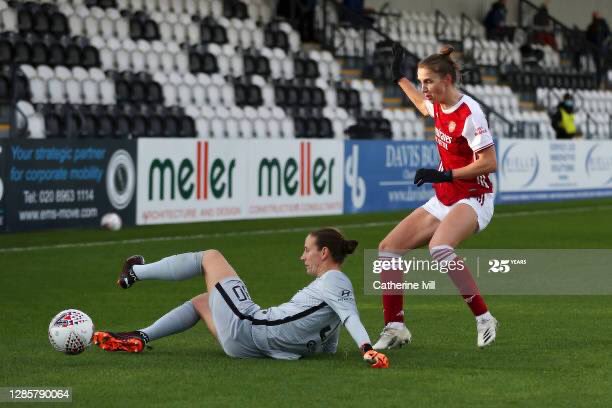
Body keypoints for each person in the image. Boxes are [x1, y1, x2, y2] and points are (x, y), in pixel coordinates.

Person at [93, 228, 389, 368]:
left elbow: (350, 316)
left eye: (307, 249)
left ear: (324, 253)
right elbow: (333, 331)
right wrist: (328, 351)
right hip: (251, 347)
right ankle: (141, 336)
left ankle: (134, 272)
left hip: (249, 328)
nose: (302, 256)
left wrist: (367, 348)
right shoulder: (333, 291)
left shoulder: (334, 280)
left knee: (210, 257)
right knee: (202, 301)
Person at [372, 43, 498, 350]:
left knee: (440, 247)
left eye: (427, 81)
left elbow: (490, 162)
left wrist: (447, 174)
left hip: (473, 196)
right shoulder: (438, 102)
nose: (423, 87)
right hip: (444, 196)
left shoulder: (471, 114)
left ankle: (484, 318)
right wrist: (400, 79)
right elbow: (422, 105)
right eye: (420, 80)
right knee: (388, 250)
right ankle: (395, 326)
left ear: (447, 80)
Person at [586, 11, 610, 84]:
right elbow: (588, 37)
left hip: (600, 48)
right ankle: (600, 82)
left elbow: (607, 34)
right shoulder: (592, 26)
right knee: (599, 66)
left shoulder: (602, 25)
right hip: (596, 48)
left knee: (601, 66)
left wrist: (604, 43)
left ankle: (602, 81)